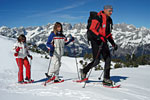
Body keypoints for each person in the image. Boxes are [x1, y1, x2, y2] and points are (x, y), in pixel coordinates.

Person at [80, 5, 118, 85]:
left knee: (108, 58)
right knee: (96, 61)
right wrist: (99, 36)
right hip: (95, 40)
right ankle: (84, 71)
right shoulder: (98, 17)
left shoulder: (109, 20)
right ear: (105, 10)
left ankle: (106, 78)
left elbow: (108, 34)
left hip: (103, 40)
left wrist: (113, 43)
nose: (111, 13)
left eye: (112, 11)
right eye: (109, 11)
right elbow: (92, 29)